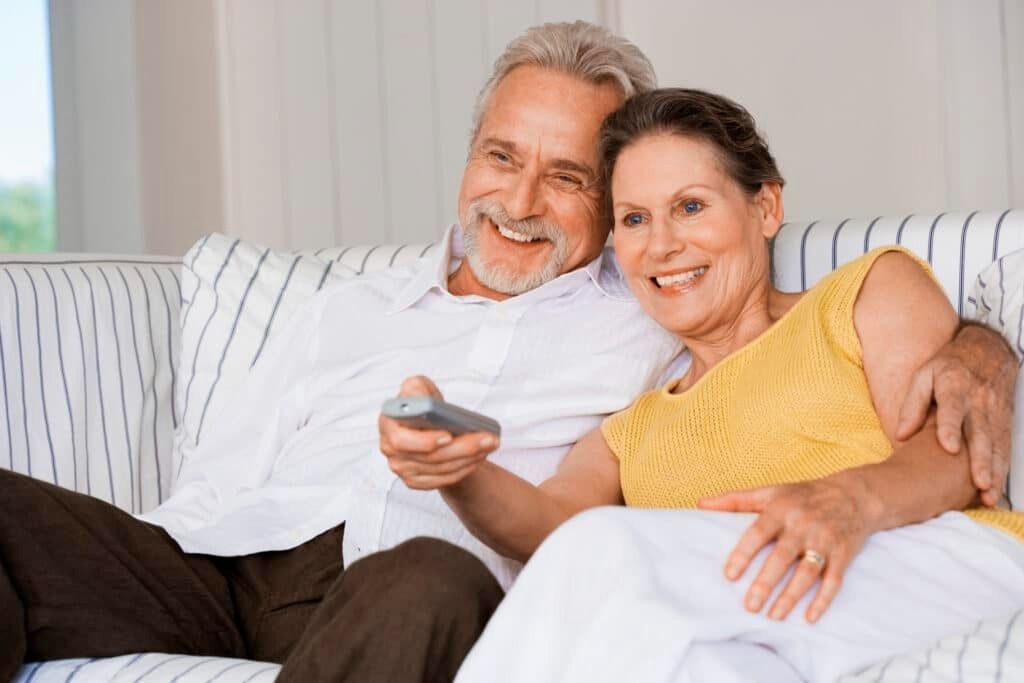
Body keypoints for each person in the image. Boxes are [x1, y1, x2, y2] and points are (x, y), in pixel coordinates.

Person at [0, 22, 1015, 683]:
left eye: (568, 179)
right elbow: (219, 475)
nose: (519, 203)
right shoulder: (351, 306)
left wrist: (983, 339)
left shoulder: (644, 306)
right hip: (219, 569)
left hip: (394, 586)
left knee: (428, 578)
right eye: (500, 156)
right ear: (470, 152)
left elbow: (928, 408)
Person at [442, 89, 1024, 682]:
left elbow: (956, 452)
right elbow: (548, 525)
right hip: (782, 613)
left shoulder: (862, 294)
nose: (662, 244)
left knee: (603, 546)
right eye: (635, 220)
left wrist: (848, 502)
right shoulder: (632, 430)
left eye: (690, 207)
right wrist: (456, 471)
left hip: (933, 557)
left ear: (766, 207)